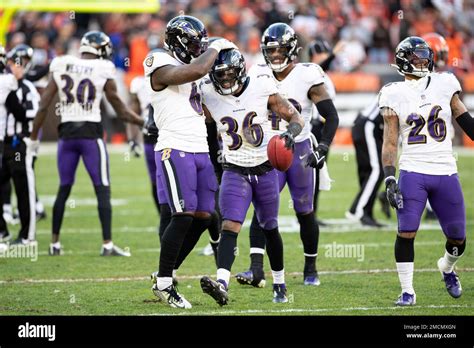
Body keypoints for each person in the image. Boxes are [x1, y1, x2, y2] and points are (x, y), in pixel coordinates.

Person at [199, 46, 305, 306]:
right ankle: (222, 283)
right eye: (219, 74)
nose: (224, 79)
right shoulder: (208, 95)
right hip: (234, 169)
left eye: (229, 73)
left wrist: (289, 135)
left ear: (240, 70)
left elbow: (296, 117)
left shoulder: (260, 85)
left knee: (270, 228)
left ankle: (279, 283)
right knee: (230, 226)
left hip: (266, 168)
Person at [235, 23, 339, 288]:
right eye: (271, 50)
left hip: (300, 149)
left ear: (293, 49)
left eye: (281, 50)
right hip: (266, 150)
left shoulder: (307, 75)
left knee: (304, 210)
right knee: (262, 209)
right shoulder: (257, 72)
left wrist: (323, 148)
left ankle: (310, 267)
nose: (276, 55)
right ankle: (255, 269)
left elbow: (332, 116)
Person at [144, 15, 237, 309]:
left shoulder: (192, 69)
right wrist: (216, 47)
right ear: (179, 42)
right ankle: (164, 283)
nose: (199, 49)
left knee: (205, 216)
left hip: (200, 149)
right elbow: (193, 71)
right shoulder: (157, 60)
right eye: (195, 43)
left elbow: (205, 106)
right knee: (182, 214)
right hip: (174, 147)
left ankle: (165, 273)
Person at [28, 31, 144, 256]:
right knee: (102, 188)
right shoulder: (103, 68)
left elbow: (43, 105)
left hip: (67, 134)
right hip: (91, 135)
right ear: (100, 49)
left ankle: (54, 244)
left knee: (63, 188)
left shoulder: (62, 63)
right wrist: (142, 121)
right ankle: (107, 244)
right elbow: (119, 107)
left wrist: (33, 138)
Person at [379, 36, 474, 306]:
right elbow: (390, 140)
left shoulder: (445, 83)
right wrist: (389, 177)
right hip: (413, 170)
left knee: (458, 236)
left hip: (445, 169)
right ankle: (407, 291)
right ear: (403, 61)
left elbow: (465, 119)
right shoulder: (393, 92)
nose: (422, 61)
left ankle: (446, 266)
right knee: (406, 230)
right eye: (415, 57)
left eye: (424, 55)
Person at [0, 44, 33, 245]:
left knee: (21, 187)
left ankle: (18, 233)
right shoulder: (7, 81)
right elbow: (19, 111)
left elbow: (22, 113)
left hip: (13, 142)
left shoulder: (12, 82)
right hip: (6, 142)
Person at [346, 97, 386, 227]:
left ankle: (366, 212)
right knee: (377, 170)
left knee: (369, 172)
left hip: (364, 125)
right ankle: (359, 210)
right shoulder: (402, 92)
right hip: (369, 126)